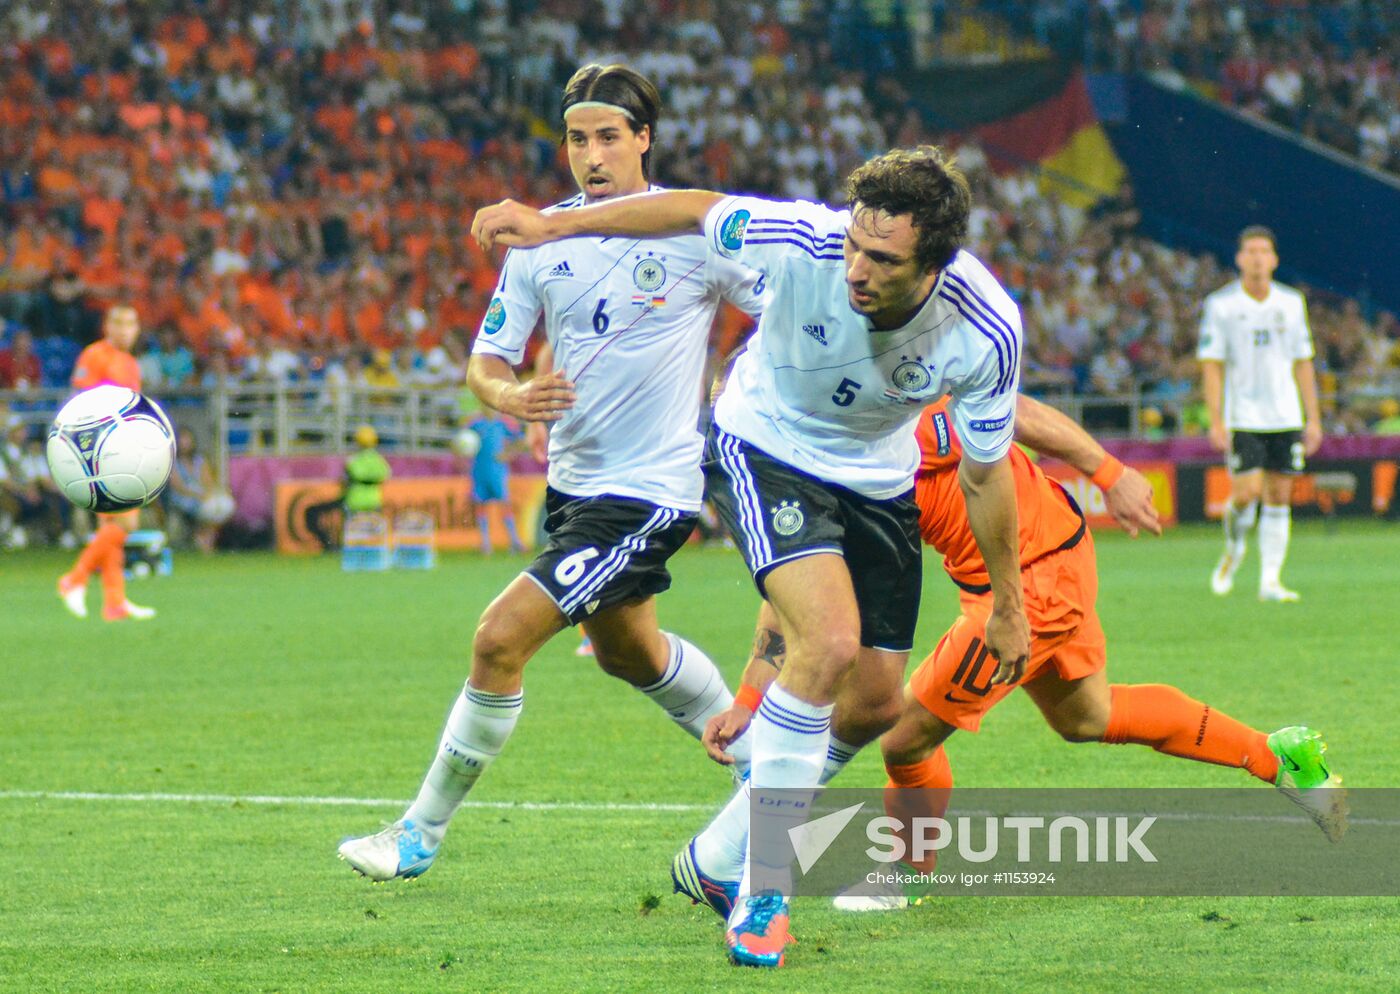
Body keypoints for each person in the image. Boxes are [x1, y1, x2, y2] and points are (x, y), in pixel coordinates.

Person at [473, 143, 1031, 968]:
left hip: (879, 479)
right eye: (855, 245)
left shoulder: (987, 329)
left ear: (938, 264)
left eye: (882, 259)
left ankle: (715, 859)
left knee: (877, 701)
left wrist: (1010, 606)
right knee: (830, 643)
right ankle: (765, 891)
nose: (856, 270)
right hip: (762, 443)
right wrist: (554, 227)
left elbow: (986, 480)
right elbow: (692, 207)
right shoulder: (803, 240)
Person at [338, 64, 765, 885]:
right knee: (628, 654)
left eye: (610, 137)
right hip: (576, 488)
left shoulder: (693, 234)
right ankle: (763, 766)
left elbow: (777, 307)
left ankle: (418, 835)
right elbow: (486, 361)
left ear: (645, 138)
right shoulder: (538, 242)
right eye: (578, 139)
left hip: (650, 492)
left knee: (500, 640)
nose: (593, 155)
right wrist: (515, 394)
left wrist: (742, 378)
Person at [686, 395, 1346, 918]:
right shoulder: (821, 460)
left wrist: (1110, 472)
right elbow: (795, 589)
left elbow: (1017, 413)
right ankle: (1277, 755)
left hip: (1027, 586)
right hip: (1050, 557)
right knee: (1088, 716)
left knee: (905, 738)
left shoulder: (891, 424)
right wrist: (748, 697)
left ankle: (907, 875)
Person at [1199, 226, 1322, 602]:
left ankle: (1270, 581)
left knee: (1279, 495)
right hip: (1244, 416)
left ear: (1274, 260)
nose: (1256, 258)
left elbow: (1304, 363)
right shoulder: (1221, 305)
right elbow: (1211, 365)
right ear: (1238, 258)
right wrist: (1216, 418)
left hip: (1285, 415)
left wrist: (1313, 418)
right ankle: (1234, 549)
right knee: (1245, 492)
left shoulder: (1290, 303)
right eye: (1249, 251)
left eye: (1263, 251)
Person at [56, 305, 157, 622]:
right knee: (127, 524)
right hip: (102, 452)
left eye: (131, 324)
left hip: (124, 450)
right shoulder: (95, 355)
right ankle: (75, 577)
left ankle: (114, 602)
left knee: (111, 527)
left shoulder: (130, 363)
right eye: (120, 323)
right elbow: (82, 401)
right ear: (107, 327)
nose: (126, 330)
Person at [305, 425, 391, 550]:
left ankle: (351, 553)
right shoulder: (379, 460)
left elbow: (345, 479)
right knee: (372, 530)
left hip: (354, 500)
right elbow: (385, 476)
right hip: (373, 500)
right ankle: (372, 554)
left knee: (352, 530)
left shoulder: (353, 460)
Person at [465, 408, 526, 555]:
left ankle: (514, 540)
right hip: (479, 470)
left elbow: (520, 439)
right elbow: (462, 439)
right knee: (480, 505)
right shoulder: (475, 424)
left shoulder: (503, 424)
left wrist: (508, 454)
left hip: (497, 471)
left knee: (504, 503)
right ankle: (485, 544)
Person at [165, 426, 235, 553]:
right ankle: (204, 536)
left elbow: (208, 482)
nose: (185, 443)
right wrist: (199, 496)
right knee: (207, 507)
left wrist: (210, 493)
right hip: (182, 497)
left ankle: (205, 535)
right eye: (182, 440)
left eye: (187, 439)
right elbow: (178, 487)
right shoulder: (172, 463)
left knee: (223, 505)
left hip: (201, 495)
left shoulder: (200, 461)